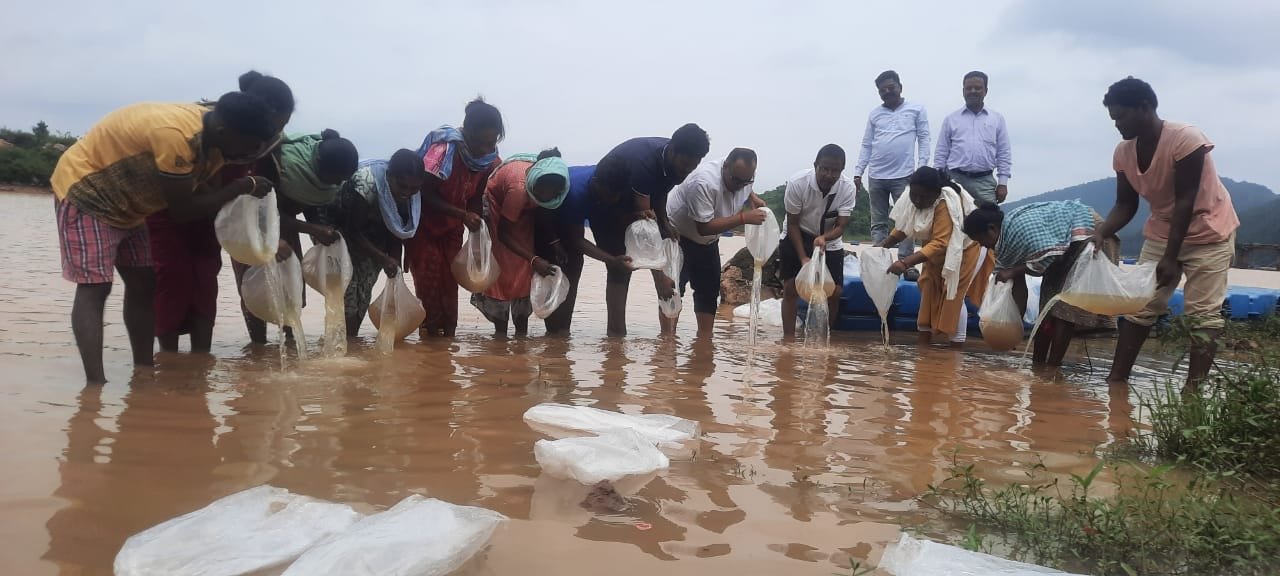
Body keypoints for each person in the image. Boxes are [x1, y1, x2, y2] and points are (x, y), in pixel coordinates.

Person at [51, 91, 280, 383]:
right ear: (225, 130)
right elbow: (183, 211)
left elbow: (203, 192)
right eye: (248, 146)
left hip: (132, 204)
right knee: (95, 287)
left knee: (144, 282)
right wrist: (241, 186)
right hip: (88, 192)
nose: (249, 154)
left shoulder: (218, 141)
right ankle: (95, 385)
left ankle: (144, 371)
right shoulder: (177, 137)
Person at [1095, 77, 1239, 392]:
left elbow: (1186, 199)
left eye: (1121, 117)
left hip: (1208, 230)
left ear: (1144, 108)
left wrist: (1170, 258)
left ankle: (1193, 390)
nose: (1117, 125)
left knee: (1203, 314)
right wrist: (1101, 232)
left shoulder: (1186, 140)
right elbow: (1125, 204)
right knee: (1140, 305)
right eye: (1114, 119)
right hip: (1162, 230)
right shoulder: (1124, 152)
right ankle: (1116, 380)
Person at [147, 70, 294, 353]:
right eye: (279, 121)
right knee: (172, 278)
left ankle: (201, 360)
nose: (278, 130)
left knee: (205, 280)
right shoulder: (211, 128)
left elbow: (254, 198)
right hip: (171, 209)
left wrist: (267, 239)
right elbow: (198, 186)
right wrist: (240, 189)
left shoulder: (265, 144)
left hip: (215, 217)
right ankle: (169, 359)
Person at [232, 129, 358, 343]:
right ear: (318, 163)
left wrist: (322, 236)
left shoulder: (322, 183)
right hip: (250, 224)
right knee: (254, 290)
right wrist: (312, 230)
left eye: (341, 180)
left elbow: (312, 206)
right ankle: (258, 348)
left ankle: (291, 345)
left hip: (287, 229)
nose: (336, 185)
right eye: (334, 178)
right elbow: (264, 209)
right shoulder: (281, 165)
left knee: (292, 291)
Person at [588, 124, 710, 336]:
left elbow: (660, 191)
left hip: (635, 200)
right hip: (607, 203)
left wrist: (664, 221)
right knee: (620, 266)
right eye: (684, 164)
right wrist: (660, 279)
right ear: (672, 151)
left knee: (657, 238)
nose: (686, 170)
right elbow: (646, 229)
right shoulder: (644, 164)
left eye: (693, 166)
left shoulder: (676, 162)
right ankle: (616, 338)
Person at [963, 201, 1120, 364]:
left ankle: (1051, 370)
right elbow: (1018, 285)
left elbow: (1053, 256)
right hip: (1062, 249)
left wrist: (1014, 271)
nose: (981, 245)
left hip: (1090, 236)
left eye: (980, 239)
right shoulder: (1005, 246)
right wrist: (1012, 328)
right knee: (1047, 310)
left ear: (992, 229)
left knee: (1065, 310)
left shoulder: (1020, 230)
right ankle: (1037, 366)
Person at [405, 98, 504, 337]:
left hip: (452, 229)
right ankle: (429, 346)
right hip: (424, 228)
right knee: (429, 286)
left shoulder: (488, 160)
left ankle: (447, 348)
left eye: (492, 143)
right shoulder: (444, 150)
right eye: (481, 143)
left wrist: (477, 229)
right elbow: (424, 192)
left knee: (450, 286)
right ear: (467, 132)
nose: (486, 149)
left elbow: (475, 196)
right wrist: (461, 214)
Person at [875, 167, 993, 346]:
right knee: (928, 289)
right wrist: (883, 246)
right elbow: (903, 227)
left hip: (964, 249)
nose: (918, 201)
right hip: (934, 251)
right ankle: (924, 345)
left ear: (936, 194)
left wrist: (905, 262)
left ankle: (955, 349)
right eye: (915, 195)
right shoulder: (911, 198)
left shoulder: (945, 203)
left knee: (953, 295)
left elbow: (941, 242)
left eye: (924, 197)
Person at [662, 148, 767, 337]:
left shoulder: (743, 177)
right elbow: (704, 227)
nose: (740, 185)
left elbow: (745, 185)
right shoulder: (703, 182)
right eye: (736, 181)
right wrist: (743, 218)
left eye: (747, 181)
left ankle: (705, 340)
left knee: (708, 291)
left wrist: (752, 196)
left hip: (709, 241)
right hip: (678, 235)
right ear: (725, 167)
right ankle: (667, 342)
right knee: (674, 289)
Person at [322, 149, 426, 338]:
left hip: (375, 241)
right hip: (341, 238)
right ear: (389, 176)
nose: (406, 193)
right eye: (402, 186)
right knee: (347, 297)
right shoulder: (366, 184)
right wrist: (384, 259)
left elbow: (395, 228)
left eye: (413, 189)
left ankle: (351, 344)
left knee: (363, 296)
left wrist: (394, 261)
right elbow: (352, 232)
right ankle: (341, 348)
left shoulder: (412, 196)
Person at [472, 148, 571, 336]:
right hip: (497, 204)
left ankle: (520, 336)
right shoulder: (519, 188)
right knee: (502, 266)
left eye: (551, 194)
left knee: (523, 266)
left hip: (522, 203)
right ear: (535, 185)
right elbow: (503, 233)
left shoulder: (549, 187)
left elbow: (544, 209)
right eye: (543, 193)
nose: (548, 196)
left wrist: (555, 242)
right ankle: (500, 335)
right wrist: (535, 259)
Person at [533, 158, 635, 335]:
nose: (613, 200)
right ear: (596, 184)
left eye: (617, 196)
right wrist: (611, 260)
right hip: (549, 223)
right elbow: (576, 241)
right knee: (558, 274)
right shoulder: (575, 193)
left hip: (575, 219)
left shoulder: (615, 179)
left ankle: (562, 336)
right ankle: (555, 335)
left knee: (573, 271)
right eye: (609, 195)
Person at [853, 70, 930, 278]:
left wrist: (922, 167)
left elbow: (924, 139)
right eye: (882, 90)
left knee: (905, 221)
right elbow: (866, 144)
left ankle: (906, 263)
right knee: (878, 222)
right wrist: (858, 172)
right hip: (876, 175)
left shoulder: (916, 109)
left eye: (891, 88)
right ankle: (880, 261)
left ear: (900, 87)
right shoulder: (875, 114)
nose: (887, 92)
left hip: (904, 175)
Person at [780, 144, 856, 338]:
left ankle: (823, 337)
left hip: (829, 238)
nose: (829, 175)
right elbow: (793, 224)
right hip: (797, 233)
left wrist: (824, 238)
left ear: (841, 170)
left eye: (835, 170)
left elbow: (841, 226)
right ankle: (788, 340)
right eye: (824, 168)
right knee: (791, 287)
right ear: (816, 165)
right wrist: (804, 258)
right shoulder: (798, 183)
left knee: (835, 291)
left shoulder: (847, 188)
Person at [933, 71, 1012, 205]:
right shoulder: (951, 119)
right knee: (954, 222)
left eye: (977, 88)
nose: (973, 91)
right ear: (963, 91)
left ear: (986, 91)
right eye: (969, 88)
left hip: (985, 182)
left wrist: (1003, 183)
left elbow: (1003, 153)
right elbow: (941, 153)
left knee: (988, 222)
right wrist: (937, 179)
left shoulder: (997, 119)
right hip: (955, 181)